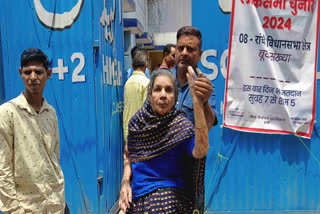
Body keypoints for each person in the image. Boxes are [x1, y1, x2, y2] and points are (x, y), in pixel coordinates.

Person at [119, 68, 209, 213]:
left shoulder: (181, 126)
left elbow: (201, 151)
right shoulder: (137, 124)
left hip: (172, 198)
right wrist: (124, 183)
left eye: (168, 90)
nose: (163, 95)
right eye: (157, 89)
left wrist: (197, 103)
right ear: (149, 94)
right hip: (138, 196)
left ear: (175, 97)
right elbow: (128, 157)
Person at [0, 48, 66, 213]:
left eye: (38, 72)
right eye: (27, 72)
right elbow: (3, 168)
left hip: (55, 205)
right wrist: (14, 209)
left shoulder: (50, 112)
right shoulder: (8, 113)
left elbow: (54, 157)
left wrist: (59, 199)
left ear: (48, 74)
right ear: (20, 73)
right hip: (26, 208)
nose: (33, 77)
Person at [174, 26, 218, 129]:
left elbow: (208, 125)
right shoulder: (161, 80)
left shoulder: (205, 87)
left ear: (200, 54)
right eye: (180, 48)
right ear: (176, 51)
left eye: (190, 49)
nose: (184, 53)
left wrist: (205, 101)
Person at [123, 47, 150, 143]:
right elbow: (146, 110)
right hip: (140, 131)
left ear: (132, 66)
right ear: (146, 64)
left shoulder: (127, 82)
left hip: (127, 130)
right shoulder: (146, 83)